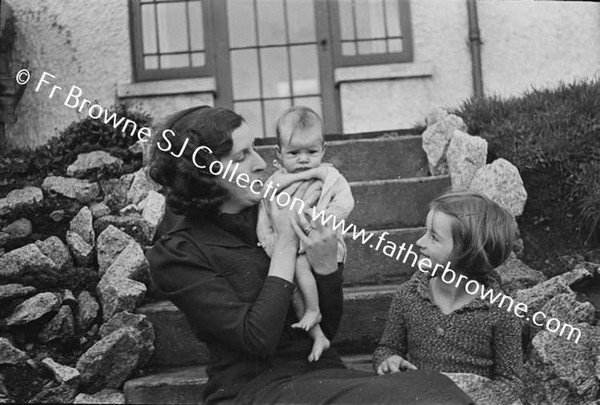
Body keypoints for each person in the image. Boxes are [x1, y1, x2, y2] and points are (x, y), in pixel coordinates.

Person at [146, 105, 474, 404]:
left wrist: (327, 269)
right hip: (254, 390)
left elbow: (325, 329)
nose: (260, 163)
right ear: (203, 172)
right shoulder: (178, 253)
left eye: (255, 149)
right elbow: (256, 338)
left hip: (320, 373)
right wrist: (287, 243)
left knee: (435, 389)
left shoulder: (271, 211)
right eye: (241, 156)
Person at [373, 190, 524, 405]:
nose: (419, 242)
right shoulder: (408, 296)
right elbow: (387, 348)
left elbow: (511, 382)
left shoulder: (500, 310)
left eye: (433, 237)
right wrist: (388, 361)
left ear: (468, 253)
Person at [257, 106, 354, 363]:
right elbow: (264, 215)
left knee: (299, 268)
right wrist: (267, 239)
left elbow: (345, 203)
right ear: (278, 154)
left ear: (323, 150)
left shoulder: (329, 177)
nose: (303, 159)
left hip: (320, 242)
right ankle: (317, 333)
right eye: (293, 153)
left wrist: (323, 221)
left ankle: (314, 311)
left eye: (311, 152)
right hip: (289, 246)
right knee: (290, 284)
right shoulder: (274, 183)